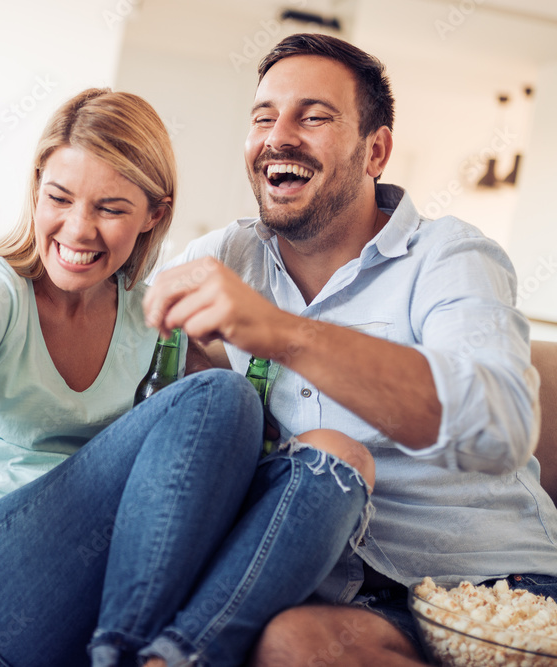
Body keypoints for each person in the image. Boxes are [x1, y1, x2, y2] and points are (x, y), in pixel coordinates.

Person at [0, 87, 376, 667]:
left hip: (83, 612)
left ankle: (173, 656)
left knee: (337, 462)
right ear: (36, 190)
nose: (77, 230)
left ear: (155, 213)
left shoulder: (152, 319)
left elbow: (222, 457)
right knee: (223, 396)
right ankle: (127, 653)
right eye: (59, 198)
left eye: (110, 209)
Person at [144, 33, 557, 666]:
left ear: (376, 150)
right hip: (340, 599)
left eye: (313, 117)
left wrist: (285, 333)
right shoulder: (223, 258)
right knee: (292, 647)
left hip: (493, 585)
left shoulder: (450, 255)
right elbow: (121, 359)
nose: (279, 137)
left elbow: (499, 424)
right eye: (264, 117)